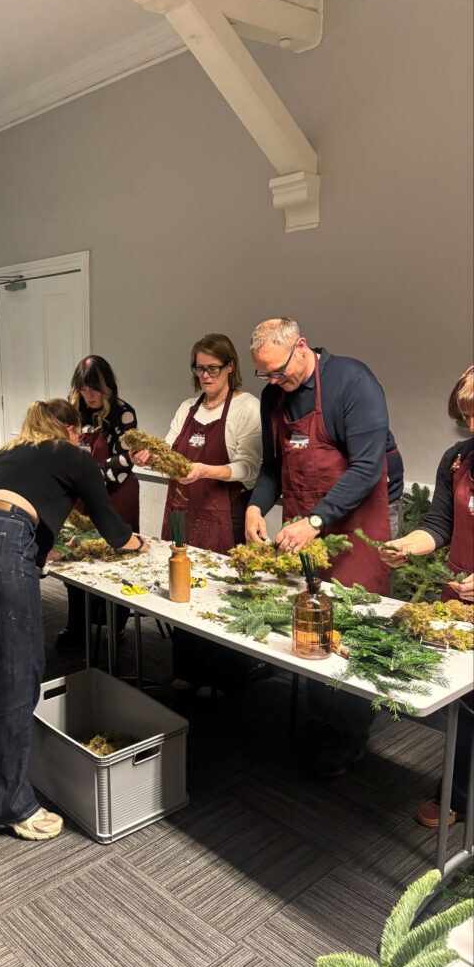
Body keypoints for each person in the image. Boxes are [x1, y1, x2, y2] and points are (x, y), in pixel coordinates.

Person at [0, 399, 149, 840]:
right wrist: (138, 543)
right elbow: (111, 528)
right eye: (80, 432)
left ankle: (0, 784)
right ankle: (10, 804)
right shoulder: (73, 455)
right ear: (71, 430)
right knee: (18, 672)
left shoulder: (10, 451)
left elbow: (8, 505)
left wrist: (39, 550)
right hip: (2, 540)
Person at [246, 318, 404, 777]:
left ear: (301, 347)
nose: (273, 381)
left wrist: (316, 520)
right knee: (311, 617)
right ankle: (321, 718)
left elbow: (367, 467)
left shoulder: (353, 382)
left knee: (355, 623)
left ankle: (351, 734)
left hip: (358, 522)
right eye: (265, 374)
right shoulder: (274, 396)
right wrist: (255, 507)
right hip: (307, 523)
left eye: (279, 371)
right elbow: (273, 466)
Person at [132, 333, 262, 695]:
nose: (205, 375)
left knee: (220, 593)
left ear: (230, 367)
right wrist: (149, 458)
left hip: (223, 514)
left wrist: (205, 470)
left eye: (212, 368)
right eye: (199, 368)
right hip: (182, 513)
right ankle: (189, 669)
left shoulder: (245, 407)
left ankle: (225, 678)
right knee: (182, 587)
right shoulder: (188, 407)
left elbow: (249, 469)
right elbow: (170, 455)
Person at [380, 366, 473, 827]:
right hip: (458, 602)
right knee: (465, 706)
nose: (472, 424)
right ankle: (457, 795)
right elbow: (439, 525)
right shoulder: (457, 460)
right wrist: (407, 544)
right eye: (467, 415)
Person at [56, 355, 139, 648]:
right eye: (83, 390)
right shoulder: (73, 412)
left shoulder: (123, 413)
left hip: (116, 495)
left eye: (95, 390)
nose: (89, 396)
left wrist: (86, 476)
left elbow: (125, 459)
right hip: (81, 496)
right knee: (75, 557)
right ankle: (77, 626)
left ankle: (115, 625)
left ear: (107, 388)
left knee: (115, 559)